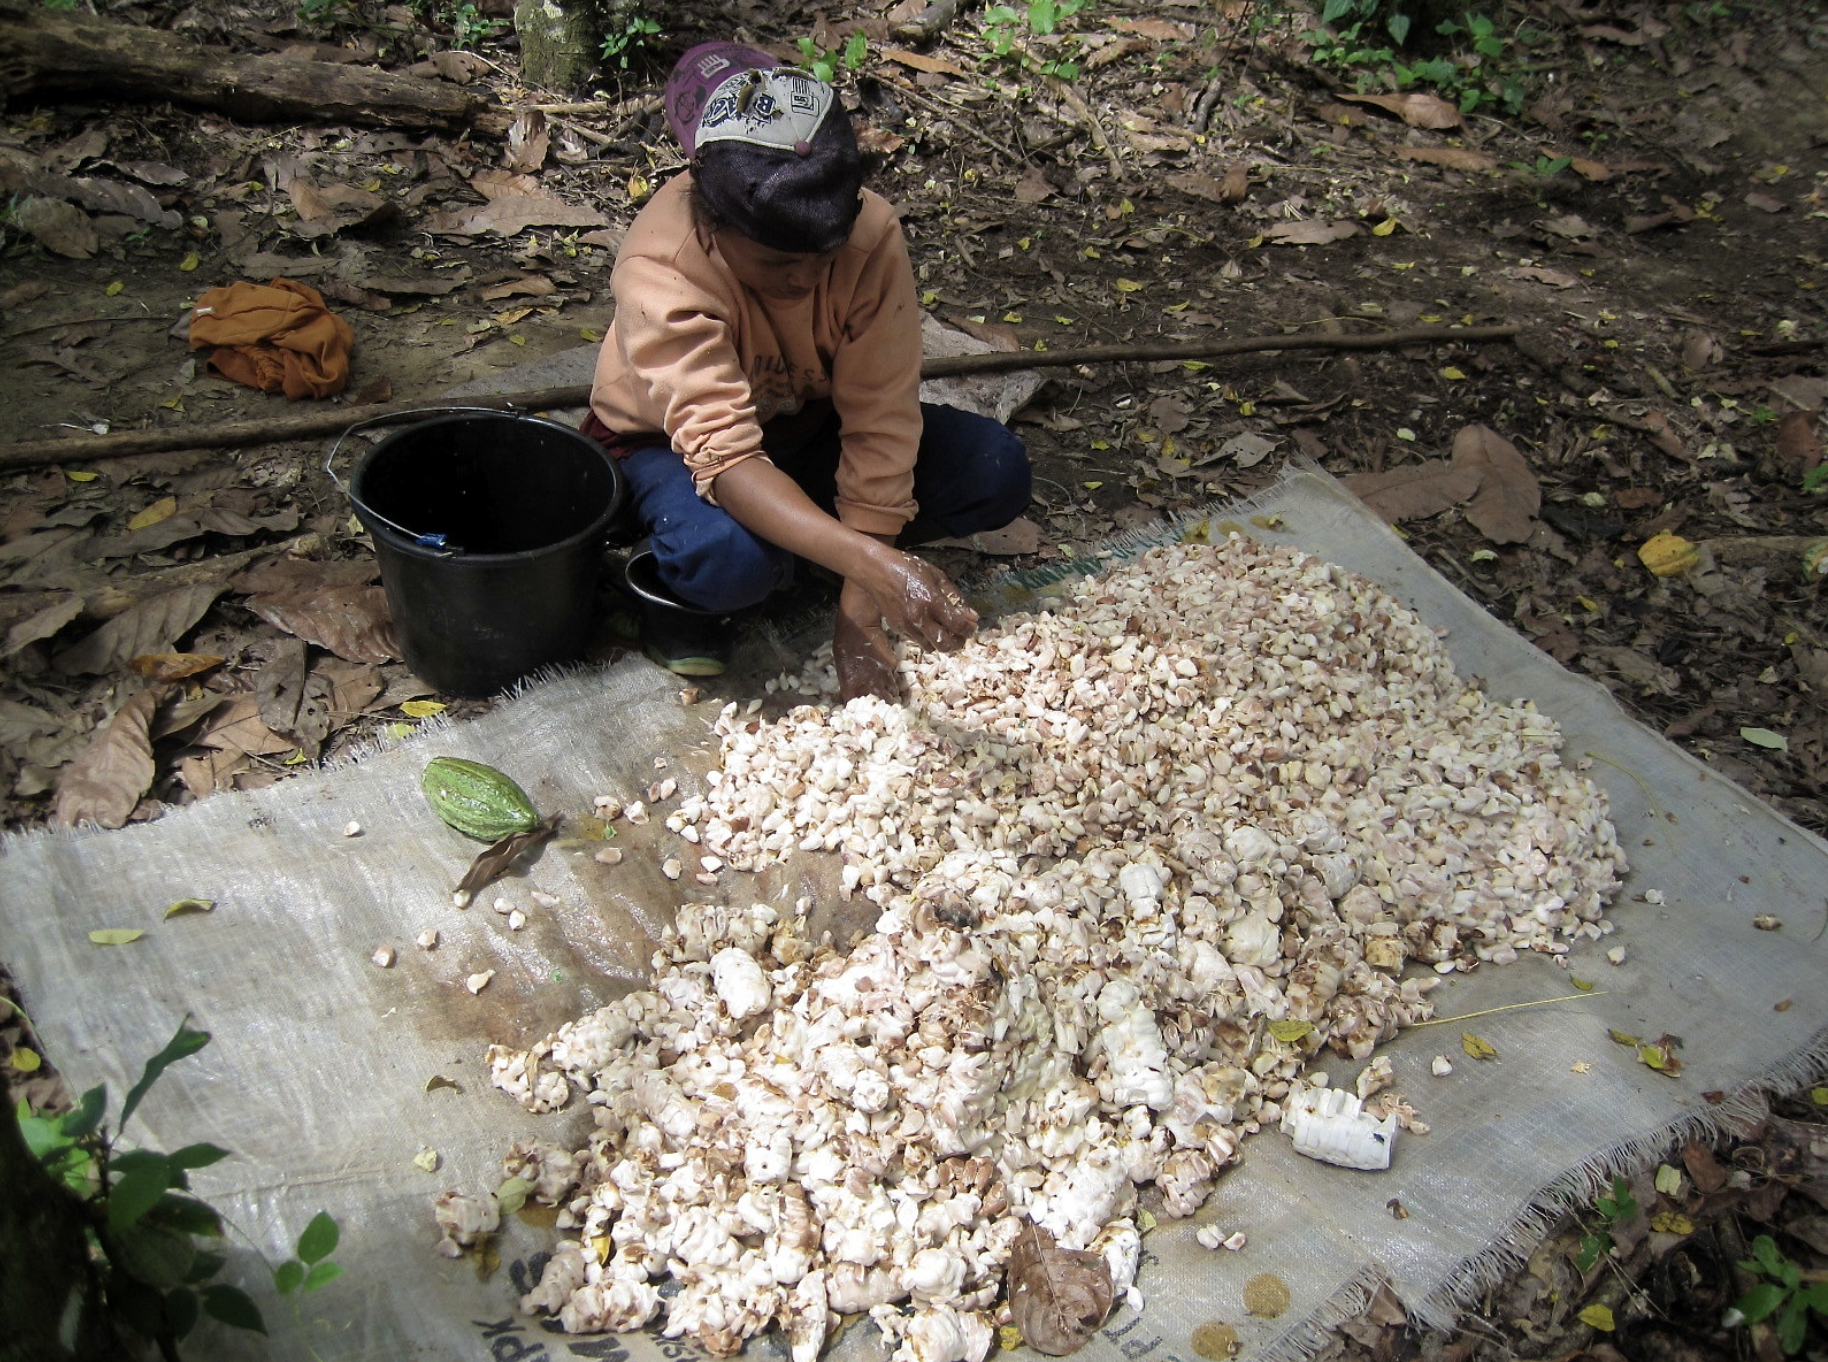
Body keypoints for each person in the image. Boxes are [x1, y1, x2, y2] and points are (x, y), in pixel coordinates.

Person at [579, 42, 1033, 701]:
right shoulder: (663, 268)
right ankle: (676, 577)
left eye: (823, 256)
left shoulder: (871, 235)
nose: (806, 279)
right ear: (712, 219)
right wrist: (874, 562)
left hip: (806, 424)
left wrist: (859, 615)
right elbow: (728, 459)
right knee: (728, 563)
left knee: (994, 469)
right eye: (776, 264)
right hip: (669, 447)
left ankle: (805, 545)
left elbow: (880, 412)